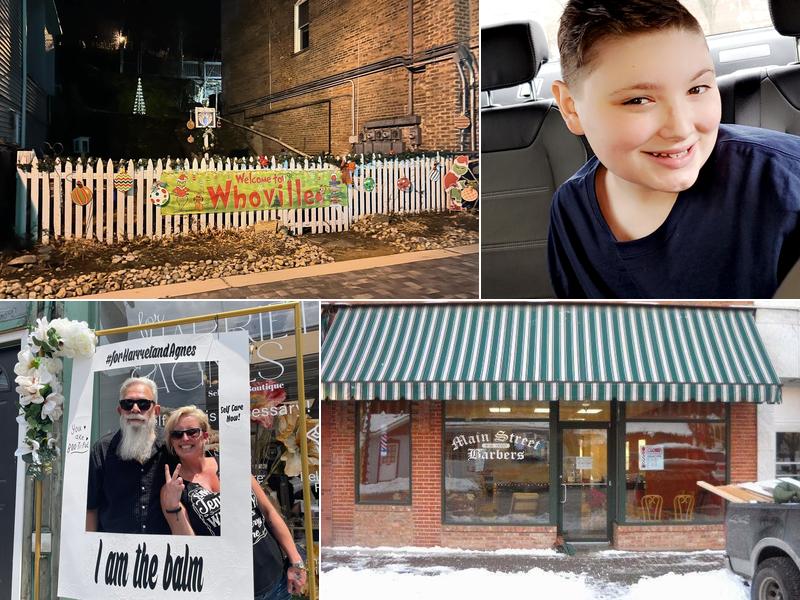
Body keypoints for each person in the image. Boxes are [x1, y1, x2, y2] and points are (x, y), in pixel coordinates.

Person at [547, 0, 800, 298]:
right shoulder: (570, 209)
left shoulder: (786, 182)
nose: (681, 128)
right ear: (571, 108)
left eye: (697, 89)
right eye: (638, 100)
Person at [160, 406, 308, 600]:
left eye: (192, 432)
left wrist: (296, 561)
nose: (185, 439)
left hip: (276, 580)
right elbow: (189, 546)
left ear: (204, 435)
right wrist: (172, 505)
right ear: (172, 441)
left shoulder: (232, 465)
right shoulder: (173, 486)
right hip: (231, 589)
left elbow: (270, 514)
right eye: (177, 434)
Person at [87, 376, 175, 534]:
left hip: (165, 553)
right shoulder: (102, 449)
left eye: (143, 403)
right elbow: (91, 507)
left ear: (156, 410)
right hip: (115, 553)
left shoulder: (171, 445)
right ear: (120, 410)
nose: (135, 409)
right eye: (127, 403)